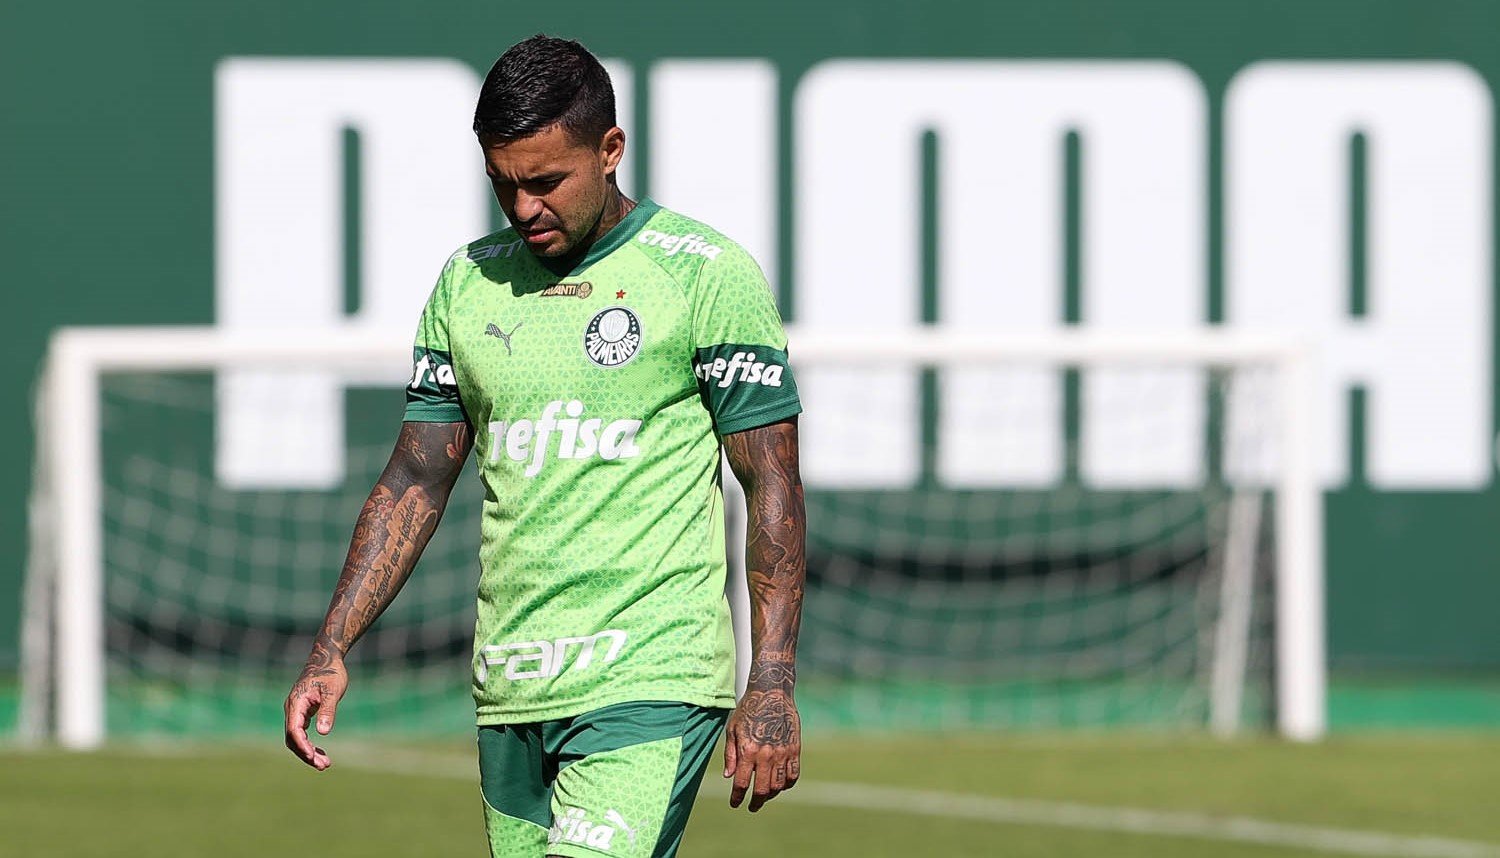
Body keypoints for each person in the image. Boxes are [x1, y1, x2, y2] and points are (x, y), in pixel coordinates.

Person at [282, 33, 806, 858]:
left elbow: (771, 480)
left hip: (651, 677)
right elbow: (418, 476)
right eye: (504, 184)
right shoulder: (468, 283)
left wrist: (769, 679)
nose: (525, 207)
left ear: (610, 150)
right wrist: (332, 645)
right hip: (512, 687)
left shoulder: (704, 274)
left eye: (547, 182)